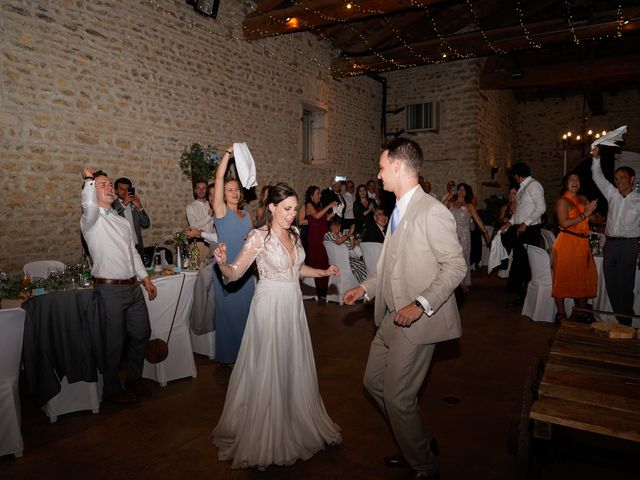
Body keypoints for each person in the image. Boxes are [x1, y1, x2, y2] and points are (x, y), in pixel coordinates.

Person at [344, 138, 467, 480]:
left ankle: (424, 465)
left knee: (398, 396)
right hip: (390, 318)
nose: (379, 174)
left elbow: (456, 267)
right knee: (373, 382)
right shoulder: (398, 210)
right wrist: (364, 289)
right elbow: (387, 267)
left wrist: (421, 304)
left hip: (417, 321)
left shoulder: (432, 211)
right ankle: (417, 439)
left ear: (398, 166)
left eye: (382, 167)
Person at [211, 183, 342, 469]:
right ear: (271, 207)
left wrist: (322, 271)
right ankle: (267, 428)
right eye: (286, 209)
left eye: (295, 209)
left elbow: (295, 268)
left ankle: (294, 418)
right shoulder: (259, 237)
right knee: (269, 365)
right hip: (269, 306)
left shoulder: (295, 234)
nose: (292, 215)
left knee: (291, 362)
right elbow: (235, 273)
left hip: (292, 304)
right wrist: (222, 264)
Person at [80, 166, 157, 404]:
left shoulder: (122, 222)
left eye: (109, 184)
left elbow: (132, 253)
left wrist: (145, 279)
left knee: (141, 334)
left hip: (133, 288)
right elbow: (88, 205)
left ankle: (134, 378)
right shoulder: (90, 220)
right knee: (113, 342)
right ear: (93, 191)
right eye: (103, 185)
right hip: (109, 289)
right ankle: (111, 390)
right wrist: (90, 180)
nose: (109, 188)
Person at [189, 146, 255, 365]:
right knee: (229, 315)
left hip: (246, 273)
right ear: (222, 194)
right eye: (229, 189)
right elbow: (218, 176)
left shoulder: (246, 215)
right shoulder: (221, 211)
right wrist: (228, 155)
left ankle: (248, 355)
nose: (234, 192)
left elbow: (250, 241)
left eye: (236, 189)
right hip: (226, 270)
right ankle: (231, 357)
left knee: (247, 314)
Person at [591, 145, 640, 325]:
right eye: (616, 178)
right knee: (611, 285)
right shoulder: (612, 194)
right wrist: (596, 159)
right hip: (610, 245)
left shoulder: (638, 200)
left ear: (632, 179)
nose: (618, 181)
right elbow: (598, 178)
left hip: (629, 245)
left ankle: (625, 323)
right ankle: (623, 320)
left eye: (622, 178)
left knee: (625, 287)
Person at [551, 172, 598, 323]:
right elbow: (564, 223)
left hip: (582, 243)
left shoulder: (583, 199)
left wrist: (594, 215)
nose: (575, 181)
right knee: (562, 278)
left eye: (577, 179)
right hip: (567, 243)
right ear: (566, 183)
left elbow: (591, 218)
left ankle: (582, 311)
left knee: (583, 278)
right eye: (571, 179)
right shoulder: (562, 201)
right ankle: (561, 315)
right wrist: (585, 214)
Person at [501, 162, 546, 306]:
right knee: (519, 263)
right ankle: (521, 296)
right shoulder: (523, 188)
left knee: (525, 264)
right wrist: (510, 222)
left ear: (516, 175)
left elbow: (541, 208)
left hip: (530, 230)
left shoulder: (534, 185)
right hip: (521, 229)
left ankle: (525, 298)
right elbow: (520, 211)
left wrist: (525, 223)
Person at [447, 183, 491, 291]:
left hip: (464, 234)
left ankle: (463, 283)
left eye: (464, 190)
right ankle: (453, 282)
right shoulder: (451, 203)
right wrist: (449, 195)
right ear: (457, 192)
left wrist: (485, 232)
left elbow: (478, 220)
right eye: (460, 190)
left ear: (467, 193)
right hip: (452, 234)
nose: (462, 192)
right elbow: (441, 206)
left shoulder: (469, 206)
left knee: (463, 258)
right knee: (452, 259)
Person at [305, 185, 337, 300]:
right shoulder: (308, 205)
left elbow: (325, 219)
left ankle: (324, 291)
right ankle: (319, 292)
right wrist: (329, 206)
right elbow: (317, 216)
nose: (320, 195)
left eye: (320, 193)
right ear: (311, 195)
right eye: (318, 193)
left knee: (325, 262)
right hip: (315, 238)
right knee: (318, 262)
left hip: (323, 236)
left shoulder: (319, 206)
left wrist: (334, 212)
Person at [113, 177, 150, 257]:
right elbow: (112, 217)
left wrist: (139, 207)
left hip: (137, 249)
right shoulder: (111, 206)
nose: (125, 192)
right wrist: (123, 204)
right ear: (115, 191)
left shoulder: (133, 204)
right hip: (121, 251)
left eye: (127, 189)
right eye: (122, 189)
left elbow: (146, 224)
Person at [323, 218, 367, 283]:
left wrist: (351, 237)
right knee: (360, 270)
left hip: (347, 260)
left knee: (365, 264)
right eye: (335, 225)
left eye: (338, 225)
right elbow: (338, 241)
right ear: (330, 227)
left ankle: (363, 288)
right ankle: (358, 288)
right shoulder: (328, 234)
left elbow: (351, 247)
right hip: (339, 263)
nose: (337, 227)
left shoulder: (341, 235)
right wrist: (349, 234)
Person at [186, 180, 216, 264]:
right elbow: (193, 226)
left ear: (207, 190)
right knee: (198, 271)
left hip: (212, 242)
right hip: (198, 244)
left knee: (212, 271)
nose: (201, 190)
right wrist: (208, 216)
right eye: (198, 188)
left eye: (204, 188)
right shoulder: (190, 207)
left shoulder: (212, 204)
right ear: (195, 190)